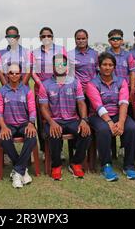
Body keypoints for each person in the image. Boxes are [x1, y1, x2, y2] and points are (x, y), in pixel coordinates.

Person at [39, 54, 92, 181]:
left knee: (86, 133)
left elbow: (81, 103)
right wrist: (51, 122)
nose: (60, 67)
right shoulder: (45, 85)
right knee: (54, 134)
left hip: (72, 120)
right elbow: (43, 108)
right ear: (52, 67)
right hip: (54, 121)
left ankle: (75, 162)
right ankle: (56, 165)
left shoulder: (75, 82)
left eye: (63, 64)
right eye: (57, 64)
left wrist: (84, 120)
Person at [86, 52, 135, 181]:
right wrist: (109, 122)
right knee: (104, 130)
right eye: (104, 64)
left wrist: (121, 122)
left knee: (132, 128)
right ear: (99, 66)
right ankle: (106, 165)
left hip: (118, 114)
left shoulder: (122, 81)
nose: (107, 67)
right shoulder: (92, 84)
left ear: (114, 67)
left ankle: (129, 166)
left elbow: (124, 102)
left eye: (110, 65)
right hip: (98, 116)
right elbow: (98, 105)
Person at [0, 63, 37, 188]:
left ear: (20, 75)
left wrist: (31, 123)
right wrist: (3, 126)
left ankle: (17, 171)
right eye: (11, 73)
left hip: (24, 123)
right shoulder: (1, 92)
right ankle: (22, 170)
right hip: (8, 124)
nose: (14, 75)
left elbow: (32, 110)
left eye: (16, 73)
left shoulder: (27, 90)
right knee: (4, 138)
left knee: (32, 137)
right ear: (7, 75)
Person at [32, 27, 67, 159]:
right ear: (40, 38)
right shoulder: (34, 52)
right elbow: (33, 72)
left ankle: (60, 149)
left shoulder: (60, 49)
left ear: (52, 37)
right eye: (44, 36)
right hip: (40, 89)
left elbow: (65, 67)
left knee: (59, 117)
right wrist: (42, 85)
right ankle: (44, 150)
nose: (46, 37)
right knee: (43, 120)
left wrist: (57, 84)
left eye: (49, 35)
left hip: (58, 89)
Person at [68, 29, 99, 101]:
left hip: (93, 88)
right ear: (75, 40)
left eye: (83, 38)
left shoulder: (95, 53)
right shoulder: (69, 54)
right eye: (78, 39)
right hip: (78, 90)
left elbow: (99, 72)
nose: (81, 41)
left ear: (87, 39)